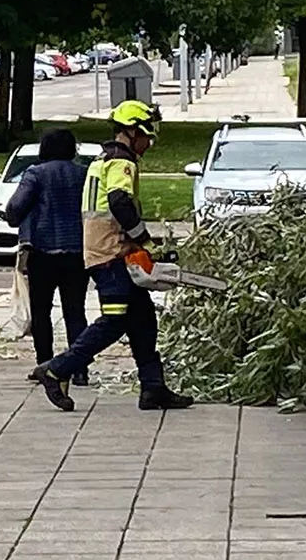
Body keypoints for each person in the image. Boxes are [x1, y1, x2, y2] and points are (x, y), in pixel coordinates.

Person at [34, 101, 194, 412]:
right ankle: (56, 369)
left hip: (104, 250)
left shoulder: (102, 159)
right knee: (114, 320)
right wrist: (144, 241)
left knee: (143, 321)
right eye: (147, 134)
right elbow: (119, 201)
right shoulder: (123, 163)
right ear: (133, 131)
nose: (151, 141)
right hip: (111, 253)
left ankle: (153, 388)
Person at [4, 128, 89, 385]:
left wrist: (16, 218)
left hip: (43, 251)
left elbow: (15, 208)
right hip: (78, 250)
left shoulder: (35, 174)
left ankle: (46, 364)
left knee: (42, 311)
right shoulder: (83, 174)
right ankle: (79, 368)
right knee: (75, 311)